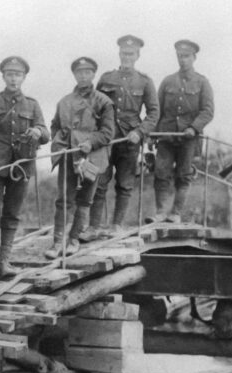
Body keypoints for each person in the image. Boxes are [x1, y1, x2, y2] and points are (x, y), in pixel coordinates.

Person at [0, 56, 50, 287]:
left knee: (12, 215)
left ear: (24, 78)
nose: (14, 78)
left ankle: (3, 262)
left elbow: (46, 133)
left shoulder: (32, 105)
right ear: (3, 77)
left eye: (18, 75)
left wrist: (37, 131)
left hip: (22, 167)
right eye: (10, 74)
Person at [44, 57, 115, 259]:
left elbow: (108, 133)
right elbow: (55, 125)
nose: (83, 76)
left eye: (87, 72)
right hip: (68, 155)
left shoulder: (104, 102)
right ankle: (57, 242)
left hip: (92, 158)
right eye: (79, 73)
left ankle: (74, 239)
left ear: (93, 74)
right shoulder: (64, 101)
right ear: (74, 75)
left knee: (85, 199)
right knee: (63, 199)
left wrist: (91, 142)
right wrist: (59, 141)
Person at [92, 35, 159, 235]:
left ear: (137, 55)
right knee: (99, 182)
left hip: (130, 140)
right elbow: (95, 107)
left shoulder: (145, 81)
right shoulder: (106, 78)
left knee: (124, 184)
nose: (126, 57)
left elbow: (154, 112)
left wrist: (139, 132)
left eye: (130, 54)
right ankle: (94, 226)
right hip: (106, 139)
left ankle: (116, 225)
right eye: (123, 53)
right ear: (119, 53)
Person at [147, 39, 214, 224]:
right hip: (166, 136)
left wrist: (194, 127)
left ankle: (175, 213)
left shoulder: (202, 82)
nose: (182, 60)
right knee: (161, 173)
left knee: (184, 175)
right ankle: (160, 212)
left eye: (186, 56)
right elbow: (156, 109)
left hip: (188, 138)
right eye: (179, 56)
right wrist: (152, 134)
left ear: (194, 57)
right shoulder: (168, 81)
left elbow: (208, 111)